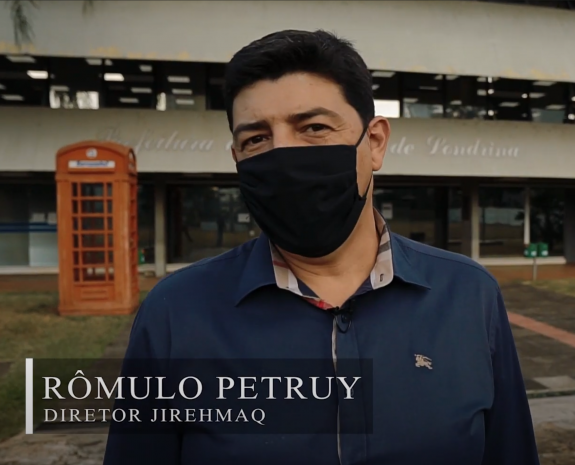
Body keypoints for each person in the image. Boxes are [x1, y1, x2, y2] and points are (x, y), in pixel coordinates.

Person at [103, 30, 539, 465]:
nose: (284, 154)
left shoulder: (469, 295)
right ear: (237, 159)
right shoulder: (176, 313)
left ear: (374, 143)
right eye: (257, 138)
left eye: (314, 128)